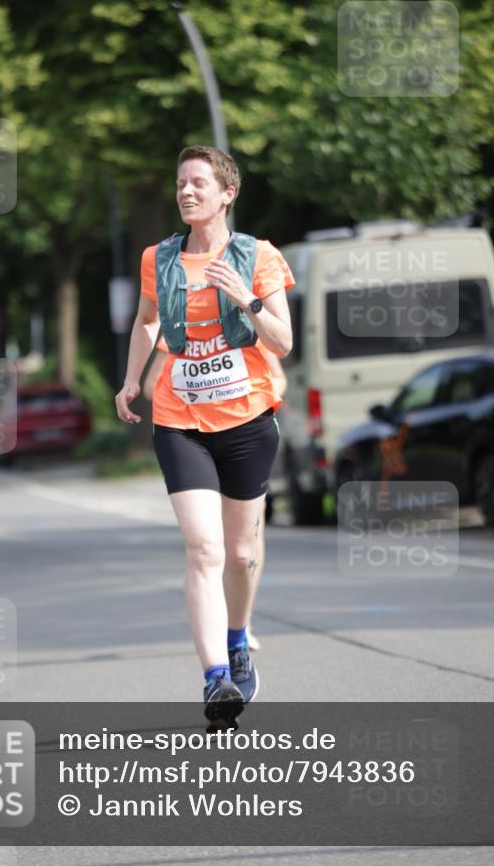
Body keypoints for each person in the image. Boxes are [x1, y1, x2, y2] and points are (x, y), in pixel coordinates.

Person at [115, 145, 294, 728]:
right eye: (180, 183)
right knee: (204, 549)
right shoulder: (158, 257)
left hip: (246, 420)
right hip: (179, 419)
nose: (187, 192)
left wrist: (243, 294)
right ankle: (216, 676)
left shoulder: (258, 256)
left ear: (226, 193)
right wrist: (131, 381)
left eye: (198, 183)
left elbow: (282, 342)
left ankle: (238, 637)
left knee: (241, 555)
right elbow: (146, 320)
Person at [143, 341, 288, 652]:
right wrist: (190, 389)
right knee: (208, 544)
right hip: (194, 435)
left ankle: (242, 618)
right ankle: (220, 622)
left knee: (245, 541)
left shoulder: (241, 316)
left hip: (243, 428)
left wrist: (244, 393)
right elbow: (150, 388)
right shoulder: (178, 317)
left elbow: (278, 377)